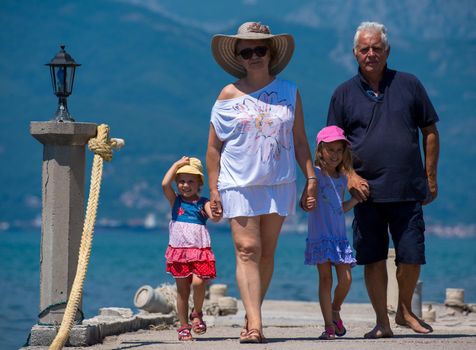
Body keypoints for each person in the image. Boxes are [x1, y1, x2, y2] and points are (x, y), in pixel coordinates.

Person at [327, 21, 440, 338]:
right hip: (366, 192)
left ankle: (405, 310)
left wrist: (430, 177)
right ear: (355, 53)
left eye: (377, 47)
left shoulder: (410, 84)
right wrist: (349, 176)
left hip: (407, 187)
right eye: (364, 49)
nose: (371, 53)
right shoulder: (343, 94)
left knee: (412, 256)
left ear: (387, 50)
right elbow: (331, 145)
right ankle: (383, 322)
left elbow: (430, 131)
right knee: (373, 259)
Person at [207, 21, 317, 343]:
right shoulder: (227, 95)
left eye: (259, 50)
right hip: (237, 182)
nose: (253, 56)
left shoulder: (290, 92)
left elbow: (299, 141)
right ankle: (256, 324)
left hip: (278, 182)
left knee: (266, 253)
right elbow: (214, 148)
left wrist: (311, 177)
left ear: (270, 53)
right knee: (247, 249)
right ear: (239, 57)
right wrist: (213, 189)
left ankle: (250, 311)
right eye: (247, 52)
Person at [305, 125, 359, 340]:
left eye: (339, 150)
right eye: (330, 150)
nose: (335, 155)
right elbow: (305, 202)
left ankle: (335, 309)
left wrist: (354, 200)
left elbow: (339, 207)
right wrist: (307, 201)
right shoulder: (314, 176)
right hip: (320, 236)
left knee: (346, 279)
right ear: (320, 151)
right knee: (325, 280)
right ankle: (328, 325)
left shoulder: (343, 178)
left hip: (339, 238)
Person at [161, 156, 221, 341]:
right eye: (181, 181)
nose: (185, 185)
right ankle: (184, 326)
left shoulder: (203, 203)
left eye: (190, 181)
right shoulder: (176, 201)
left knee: (198, 282)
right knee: (182, 291)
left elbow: (215, 217)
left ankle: (197, 312)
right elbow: (164, 184)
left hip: (199, 251)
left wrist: (217, 211)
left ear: (199, 183)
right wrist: (176, 165)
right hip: (179, 252)